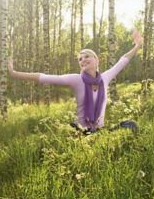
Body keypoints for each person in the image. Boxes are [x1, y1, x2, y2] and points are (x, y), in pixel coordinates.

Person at [8, 29, 143, 135]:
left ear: (97, 60)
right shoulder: (76, 80)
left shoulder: (105, 78)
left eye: (86, 56)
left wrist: (137, 46)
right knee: (72, 127)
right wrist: (15, 74)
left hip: (100, 131)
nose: (82, 60)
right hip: (82, 131)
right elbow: (44, 77)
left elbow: (123, 60)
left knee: (132, 125)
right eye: (80, 59)